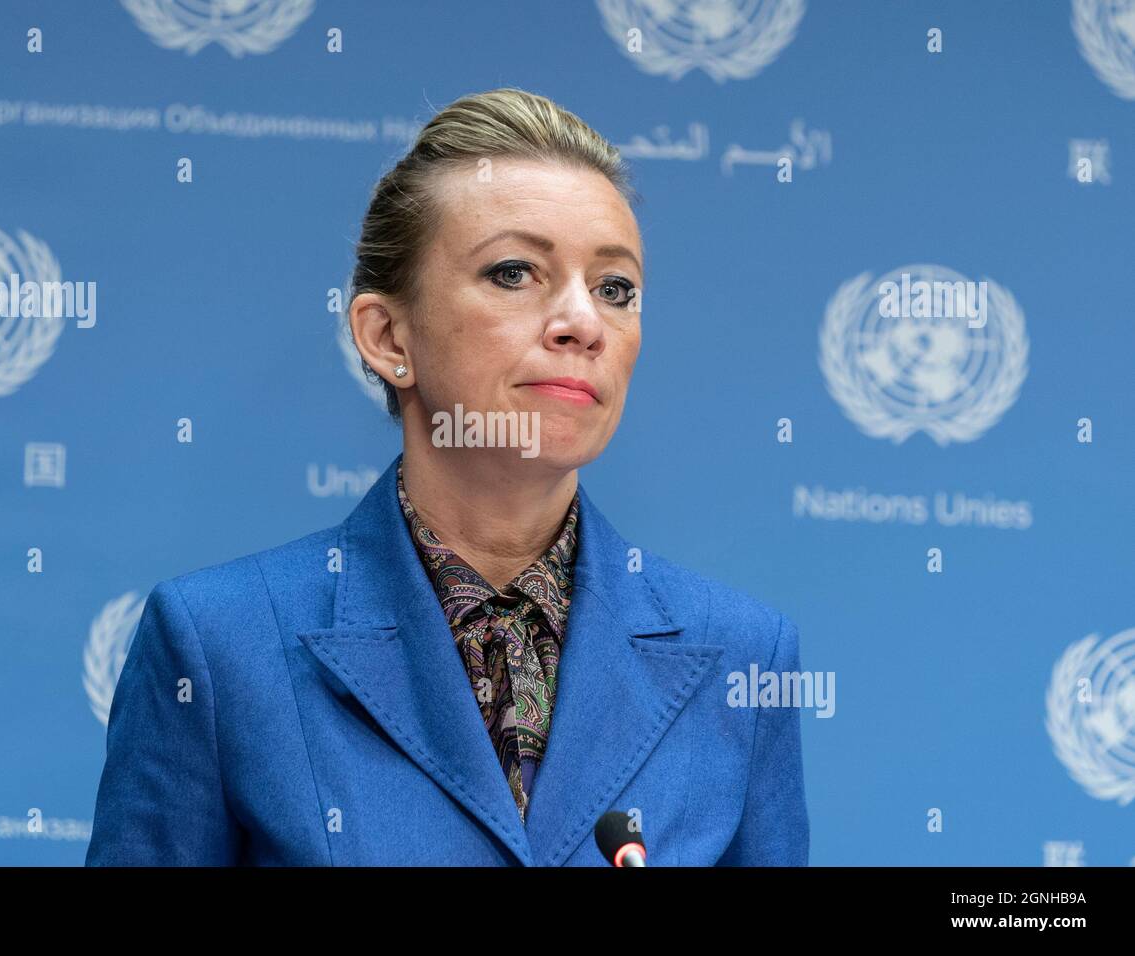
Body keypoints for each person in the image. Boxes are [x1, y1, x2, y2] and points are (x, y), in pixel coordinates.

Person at [85, 87, 809, 866]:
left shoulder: (742, 655)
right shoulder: (219, 646)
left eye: (615, 288)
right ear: (388, 335)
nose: (583, 322)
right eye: (514, 272)